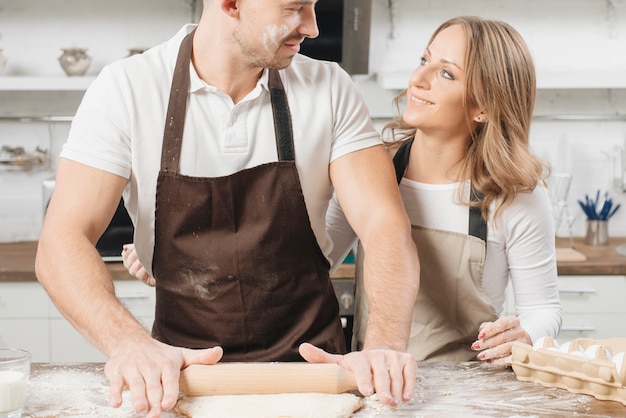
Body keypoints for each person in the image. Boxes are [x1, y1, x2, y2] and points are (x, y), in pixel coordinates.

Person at [35, 1, 421, 417]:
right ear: (231, 4)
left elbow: (385, 226)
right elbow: (62, 241)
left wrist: (383, 345)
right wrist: (130, 345)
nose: (311, 27)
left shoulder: (328, 87)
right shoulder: (129, 89)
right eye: (295, 8)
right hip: (179, 379)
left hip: (315, 376)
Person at [325, 16, 562, 364]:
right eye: (424, 60)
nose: (417, 79)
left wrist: (525, 333)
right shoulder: (374, 170)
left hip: (468, 394)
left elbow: (544, 308)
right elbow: (317, 262)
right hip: (375, 382)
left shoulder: (514, 197)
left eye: (446, 73)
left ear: (483, 106)